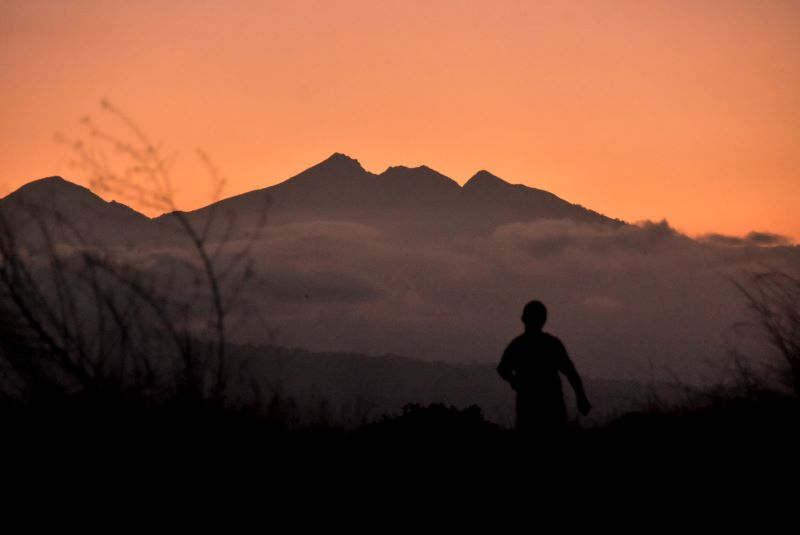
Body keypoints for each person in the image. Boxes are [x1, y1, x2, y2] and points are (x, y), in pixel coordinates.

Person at [497, 300, 591, 432]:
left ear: (523, 319)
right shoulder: (552, 344)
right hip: (551, 404)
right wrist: (581, 397)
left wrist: (515, 381)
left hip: (528, 405)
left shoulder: (518, 344)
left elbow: (502, 369)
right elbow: (570, 372)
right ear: (544, 320)